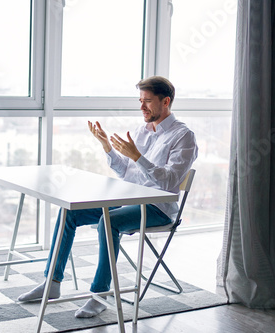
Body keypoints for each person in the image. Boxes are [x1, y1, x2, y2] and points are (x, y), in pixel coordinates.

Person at [17, 76, 198, 318]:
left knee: (108, 222)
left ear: (166, 102)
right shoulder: (141, 131)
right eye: (140, 101)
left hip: (157, 208)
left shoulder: (183, 136)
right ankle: (52, 284)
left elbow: (169, 181)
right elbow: (126, 171)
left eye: (147, 101)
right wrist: (107, 147)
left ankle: (99, 295)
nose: (142, 107)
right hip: (128, 198)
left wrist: (137, 157)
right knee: (69, 213)